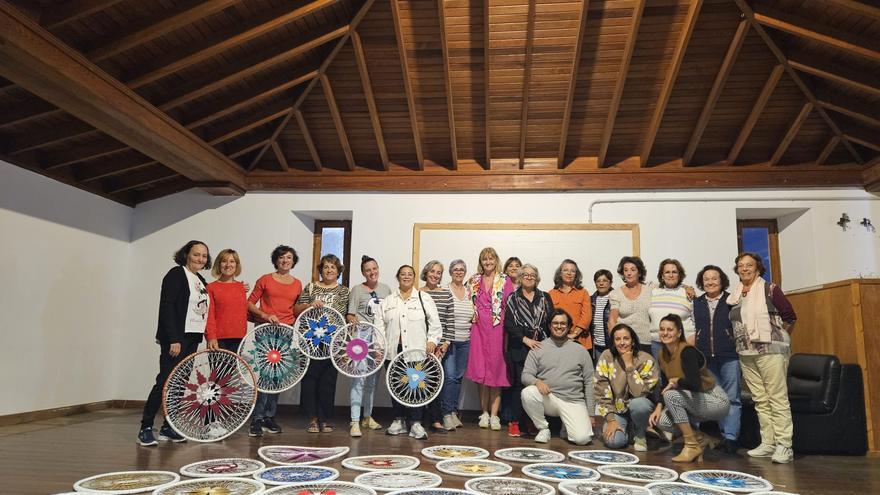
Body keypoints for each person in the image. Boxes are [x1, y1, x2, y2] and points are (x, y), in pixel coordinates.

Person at [138, 240, 211, 446]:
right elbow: (167, 307)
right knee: (164, 382)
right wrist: (173, 338)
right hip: (177, 339)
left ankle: (168, 428)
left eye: (204, 256)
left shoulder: (200, 279)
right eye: (196, 254)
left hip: (192, 338)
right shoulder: (176, 274)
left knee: (179, 384)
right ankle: (145, 427)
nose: (200, 259)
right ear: (186, 254)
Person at [728, 252, 797, 464]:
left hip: (771, 350)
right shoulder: (736, 294)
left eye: (749, 265)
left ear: (758, 267)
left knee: (777, 397)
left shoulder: (770, 289)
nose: (745, 269)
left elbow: (790, 317)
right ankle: (768, 442)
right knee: (760, 398)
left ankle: (785, 445)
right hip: (746, 352)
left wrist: (779, 338)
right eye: (741, 265)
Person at [649, 314, 730, 463]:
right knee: (661, 420)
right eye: (662, 329)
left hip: (715, 400)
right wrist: (658, 407)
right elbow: (666, 384)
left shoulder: (688, 352)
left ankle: (691, 445)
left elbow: (695, 384)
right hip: (693, 400)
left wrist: (677, 381)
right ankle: (700, 438)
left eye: (669, 329)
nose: (665, 333)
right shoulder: (662, 354)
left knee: (671, 396)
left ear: (679, 332)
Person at [375, 265, 442, 440]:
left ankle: (416, 423)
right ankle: (398, 421)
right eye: (403, 274)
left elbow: (435, 323)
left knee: (415, 387)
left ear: (414, 278)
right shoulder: (388, 301)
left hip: (416, 352)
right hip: (393, 352)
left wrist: (432, 341)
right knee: (396, 386)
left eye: (410, 274)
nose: (406, 277)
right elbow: (378, 327)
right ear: (398, 277)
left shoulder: (424, 298)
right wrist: (379, 347)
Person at [246, 245, 303, 437]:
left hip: (286, 332)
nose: (285, 260)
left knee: (278, 376)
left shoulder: (297, 283)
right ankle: (257, 419)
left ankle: (270, 416)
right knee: (264, 375)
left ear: (293, 261)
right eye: (281, 257)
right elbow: (249, 303)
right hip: (265, 331)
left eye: (289, 257)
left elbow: (295, 309)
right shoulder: (265, 279)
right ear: (276, 260)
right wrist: (265, 314)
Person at [521, 308, 595, 445]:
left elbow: (590, 381)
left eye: (563, 323)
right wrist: (537, 382)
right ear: (549, 325)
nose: (559, 326)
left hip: (573, 401)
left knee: (582, 439)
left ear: (568, 327)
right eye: (555, 323)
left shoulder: (581, 350)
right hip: (549, 399)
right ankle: (543, 429)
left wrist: (590, 413)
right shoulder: (538, 348)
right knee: (528, 393)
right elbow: (525, 375)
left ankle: (566, 426)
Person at [295, 254, 350, 434]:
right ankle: (311, 419)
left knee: (328, 381)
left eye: (333, 267)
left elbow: (344, 316)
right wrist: (310, 304)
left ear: (338, 270)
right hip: (310, 340)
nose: (329, 270)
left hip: (332, 342)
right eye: (326, 267)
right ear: (321, 269)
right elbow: (296, 310)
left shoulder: (344, 291)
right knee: (310, 380)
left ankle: (324, 419)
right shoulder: (310, 287)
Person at [502, 264, 554, 437]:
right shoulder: (512, 298)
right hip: (519, 346)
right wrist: (526, 340)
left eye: (533, 275)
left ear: (537, 278)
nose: (529, 277)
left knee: (538, 385)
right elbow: (509, 324)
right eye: (526, 274)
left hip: (541, 346)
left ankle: (533, 421)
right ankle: (515, 422)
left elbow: (551, 321)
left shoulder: (545, 297)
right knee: (519, 385)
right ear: (520, 277)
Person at [465, 247, 514, 431]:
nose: (488, 262)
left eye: (491, 259)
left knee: (496, 370)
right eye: (484, 259)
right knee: (481, 370)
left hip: (497, 328)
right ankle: (484, 413)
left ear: (496, 260)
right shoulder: (474, 280)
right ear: (481, 261)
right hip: (478, 328)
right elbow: (467, 302)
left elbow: (509, 306)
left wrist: (509, 332)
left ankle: (495, 415)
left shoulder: (504, 280)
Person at [693, 265, 740, 455]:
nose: (710, 282)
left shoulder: (732, 300)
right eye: (706, 279)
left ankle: (731, 437)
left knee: (732, 398)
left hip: (729, 355)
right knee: (716, 398)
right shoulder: (696, 302)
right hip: (705, 357)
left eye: (714, 278)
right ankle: (718, 434)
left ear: (722, 281)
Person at [594, 323, 658, 451]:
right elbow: (601, 391)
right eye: (617, 339)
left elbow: (640, 394)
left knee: (639, 404)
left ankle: (640, 433)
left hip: (639, 407)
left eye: (626, 338)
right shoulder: (607, 356)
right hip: (617, 410)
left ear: (633, 341)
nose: (622, 343)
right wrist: (611, 420)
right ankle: (628, 429)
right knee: (614, 442)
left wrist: (629, 367)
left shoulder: (646, 360)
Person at [346, 255, 390, 437]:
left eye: (374, 268)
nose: (372, 272)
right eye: (368, 270)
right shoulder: (357, 290)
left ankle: (367, 416)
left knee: (372, 382)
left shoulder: (386, 289)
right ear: (363, 273)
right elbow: (350, 314)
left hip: (378, 340)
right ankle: (354, 421)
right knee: (359, 379)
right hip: (361, 340)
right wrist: (353, 320)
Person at [420, 260, 454, 433]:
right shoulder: (416, 293)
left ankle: (435, 419)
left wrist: (445, 343)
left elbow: (449, 321)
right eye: (432, 271)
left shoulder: (446, 294)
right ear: (426, 272)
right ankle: (417, 418)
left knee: (435, 383)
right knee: (417, 381)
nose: (435, 275)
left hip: (439, 348)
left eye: (438, 272)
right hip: (418, 345)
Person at [441, 259, 473, 430]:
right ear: (450, 272)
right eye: (455, 269)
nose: (459, 272)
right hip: (450, 340)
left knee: (458, 378)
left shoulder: (469, 291)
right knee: (450, 377)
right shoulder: (446, 290)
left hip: (466, 340)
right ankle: (446, 414)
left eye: (462, 269)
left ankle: (453, 411)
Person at [648, 259, 696, 358]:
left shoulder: (688, 294)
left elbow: (696, 320)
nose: (671, 275)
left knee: (680, 373)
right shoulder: (653, 292)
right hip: (657, 344)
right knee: (658, 373)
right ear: (662, 276)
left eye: (674, 272)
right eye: (667, 272)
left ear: (679, 275)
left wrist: (691, 341)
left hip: (682, 344)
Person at [205, 249, 248, 353]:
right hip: (218, 339)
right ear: (219, 264)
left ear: (237, 265)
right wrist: (211, 336)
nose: (228, 265)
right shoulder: (211, 287)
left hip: (240, 337)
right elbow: (208, 315)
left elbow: (243, 311)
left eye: (232, 261)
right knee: (219, 370)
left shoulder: (241, 287)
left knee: (234, 369)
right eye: (224, 261)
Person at [549, 259, 593, 353]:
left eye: (573, 271)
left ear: (576, 275)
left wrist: (574, 334)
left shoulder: (583, 293)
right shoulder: (551, 294)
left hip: (580, 341)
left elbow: (587, 316)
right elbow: (549, 318)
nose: (569, 273)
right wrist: (562, 336)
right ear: (560, 274)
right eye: (566, 270)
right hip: (558, 342)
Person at [589, 269, 614, 360]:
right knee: (600, 370)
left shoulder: (616, 297)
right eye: (598, 281)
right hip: (597, 345)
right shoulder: (591, 300)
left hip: (611, 343)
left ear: (610, 282)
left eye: (604, 281)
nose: (601, 283)